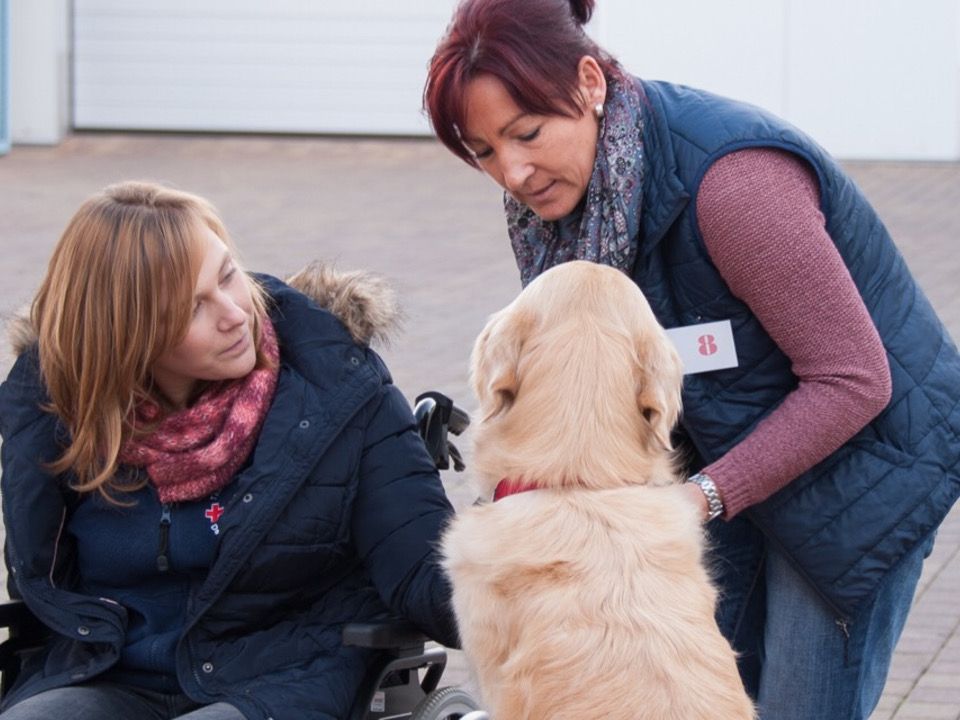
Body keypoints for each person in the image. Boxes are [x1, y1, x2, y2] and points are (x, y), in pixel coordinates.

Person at [423, 1, 960, 718]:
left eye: (527, 133)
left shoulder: (731, 185)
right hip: (727, 453)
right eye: (484, 151)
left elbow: (853, 380)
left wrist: (697, 497)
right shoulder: (558, 204)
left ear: (587, 82)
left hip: (858, 471)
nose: (513, 172)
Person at [0, 181, 458, 720]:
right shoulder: (59, 410)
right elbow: (42, 582)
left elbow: (428, 576)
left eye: (227, 276)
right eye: (193, 308)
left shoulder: (339, 389)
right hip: (108, 673)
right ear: (127, 336)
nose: (235, 314)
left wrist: (533, 539)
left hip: (282, 677)